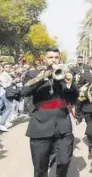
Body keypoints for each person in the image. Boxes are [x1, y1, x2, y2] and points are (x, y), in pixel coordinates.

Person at [21, 48, 78, 177]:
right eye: (50, 57)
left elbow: (74, 98)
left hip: (63, 125)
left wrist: (69, 83)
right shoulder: (34, 74)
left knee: (64, 162)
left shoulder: (64, 74)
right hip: (40, 125)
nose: (53, 60)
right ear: (45, 59)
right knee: (40, 168)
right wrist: (44, 75)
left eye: (56, 57)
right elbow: (24, 92)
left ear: (60, 59)